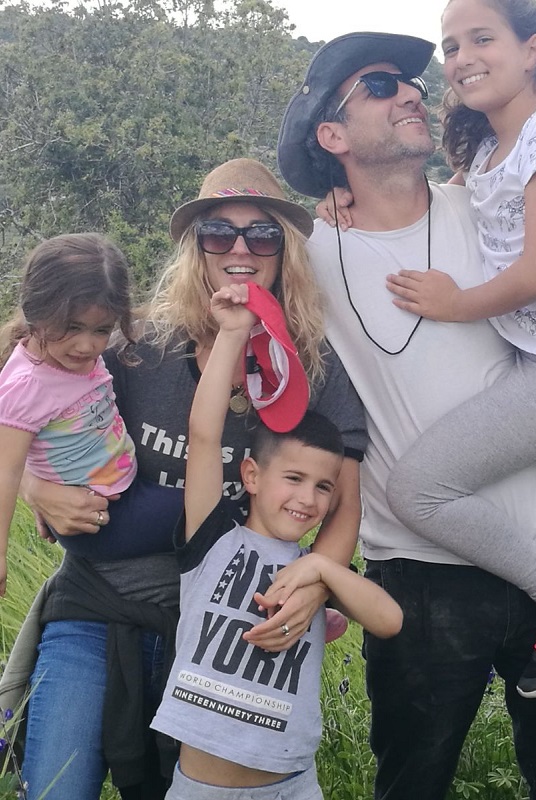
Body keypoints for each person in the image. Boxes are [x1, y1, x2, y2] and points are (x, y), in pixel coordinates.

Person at [277, 31, 536, 800]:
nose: (410, 92)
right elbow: (218, 269)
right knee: (411, 784)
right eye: (379, 85)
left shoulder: (488, 209)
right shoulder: (306, 253)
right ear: (332, 135)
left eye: (413, 82)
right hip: (420, 575)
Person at [12, 159, 367, 800]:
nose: (240, 249)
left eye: (263, 234)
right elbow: (23, 406)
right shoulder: (134, 345)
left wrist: (316, 583)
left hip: (220, 630)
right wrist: (36, 489)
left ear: (285, 250)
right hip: (98, 604)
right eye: (218, 232)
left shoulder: (313, 366)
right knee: (57, 785)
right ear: (196, 247)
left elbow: (344, 504)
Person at [378, 0, 536, 700]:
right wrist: (342, 203)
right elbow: (441, 208)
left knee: (418, 490)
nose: (462, 57)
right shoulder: (484, 149)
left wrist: (454, 303)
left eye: (481, 38)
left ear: (533, 49)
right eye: (450, 46)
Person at [151, 281, 402, 800]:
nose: (308, 498)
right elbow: (204, 433)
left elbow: (389, 621)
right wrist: (233, 333)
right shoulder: (212, 540)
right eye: (294, 479)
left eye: (323, 487)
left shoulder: (316, 573)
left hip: (291, 787)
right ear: (251, 475)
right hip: (200, 789)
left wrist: (325, 570)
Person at [0, 233, 136, 597]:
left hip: (117, 488)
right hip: (90, 515)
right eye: (72, 327)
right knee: (200, 516)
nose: (87, 345)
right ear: (36, 312)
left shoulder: (72, 360)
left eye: (102, 330)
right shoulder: (28, 386)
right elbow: (5, 470)